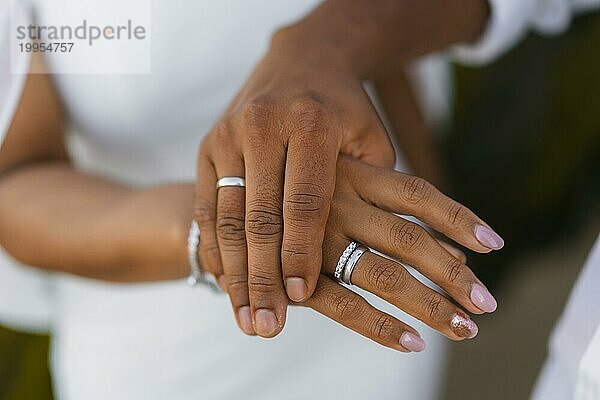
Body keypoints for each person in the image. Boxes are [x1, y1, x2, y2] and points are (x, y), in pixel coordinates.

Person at [0, 1, 596, 400]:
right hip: (170, 349)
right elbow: (15, 181)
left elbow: (392, 70)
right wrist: (231, 226)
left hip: (369, 289)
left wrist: (325, 50)